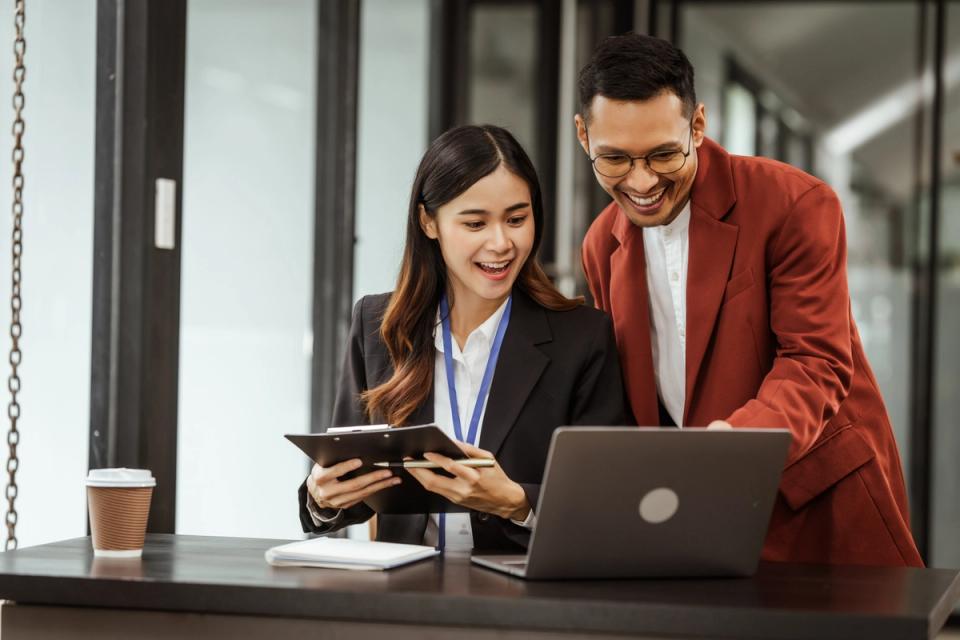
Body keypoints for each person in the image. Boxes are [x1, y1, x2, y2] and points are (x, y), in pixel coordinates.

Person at [576, 33, 922, 567]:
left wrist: (734, 443)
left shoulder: (793, 204)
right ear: (583, 137)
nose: (641, 181)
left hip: (814, 505)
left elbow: (815, 362)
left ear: (697, 126)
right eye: (615, 159)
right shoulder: (602, 244)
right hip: (697, 516)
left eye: (663, 154)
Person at [298, 124, 625, 552]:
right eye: (475, 223)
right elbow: (351, 484)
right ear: (428, 222)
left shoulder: (583, 339)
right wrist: (323, 498)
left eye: (517, 219)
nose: (501, 243)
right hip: (407, 592)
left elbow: (607, 507)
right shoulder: (377, 325)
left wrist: (518, 503)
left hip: (525, 597)